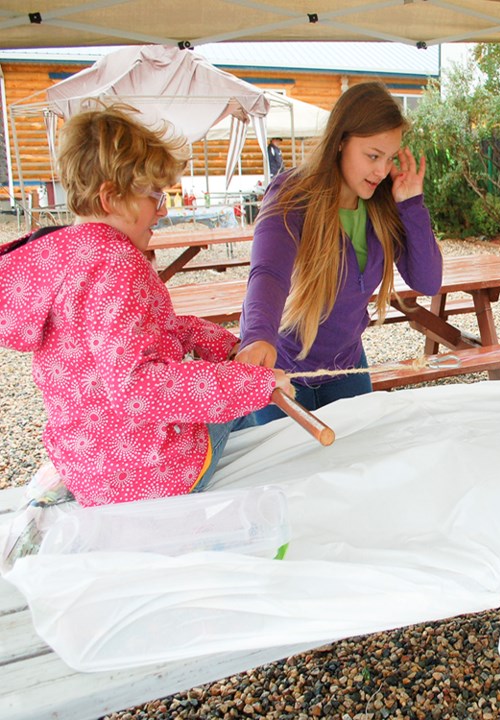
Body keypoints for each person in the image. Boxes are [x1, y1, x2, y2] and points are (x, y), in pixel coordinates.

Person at [0, 104, 292, 507]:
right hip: (151, 473)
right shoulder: (117, 265)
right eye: (154, 195)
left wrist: (219, 343)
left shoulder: (60, 253)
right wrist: (254, 384)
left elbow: (150, 329)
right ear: (110, 198)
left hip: (87, 468)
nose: (164, 209)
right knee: (251, 402)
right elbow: (140, 386)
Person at [236, 82, 442, 423]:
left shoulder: (384, 203)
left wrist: (412, 205)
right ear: (341, 141)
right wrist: (257, 336)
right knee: (283, 471)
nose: (381, 170)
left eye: (389, 158)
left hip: (346, 368)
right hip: (280, 369)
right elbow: (268, 274)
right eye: (373, 156)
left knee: (357, 466)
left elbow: (428, 280)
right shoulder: (292, 193)